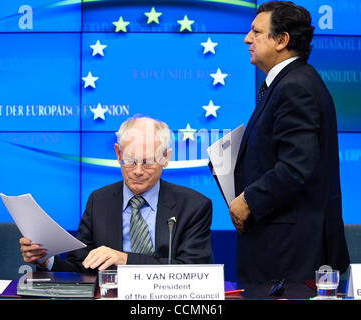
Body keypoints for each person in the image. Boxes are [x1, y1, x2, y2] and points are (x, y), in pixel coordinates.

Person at [229, 1, 349, 283]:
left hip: (289, 257)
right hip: (283, 252)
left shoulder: (295, 87)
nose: (247, 39)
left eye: (256, 32)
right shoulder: (289, 83)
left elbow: (297, 167)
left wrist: (247, 200)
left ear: (282, 40)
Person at [20, 116, 212, 272]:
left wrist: (125, 260)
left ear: (166, 158)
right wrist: (46, 260)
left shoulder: (193, 206)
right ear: (118, 154)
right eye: (129, 160)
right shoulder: (99, 201)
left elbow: (194, 271)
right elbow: (80, 269)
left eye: (147, 162)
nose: (137, 171)